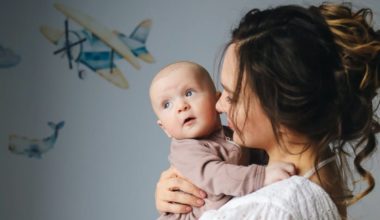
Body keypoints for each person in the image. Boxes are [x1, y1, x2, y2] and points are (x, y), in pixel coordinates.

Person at [155, 2, 380, 220]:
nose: (219, 106)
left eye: (231, 95)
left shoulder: (269, 209)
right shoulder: (323, 167)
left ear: (278, 107)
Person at [150, 61, 296, 219]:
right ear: (164, 128)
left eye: (189, 93)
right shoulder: (186, 150)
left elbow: (254, 157)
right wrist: (261, 176)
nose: (181, 106)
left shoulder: (231, 134)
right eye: (167, 104)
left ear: (217, 101)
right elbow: (215, 175)